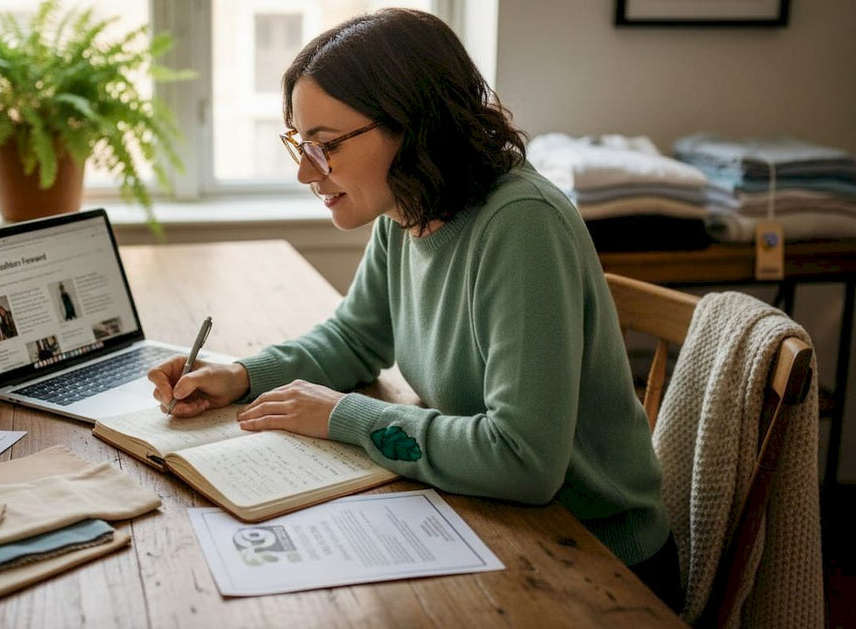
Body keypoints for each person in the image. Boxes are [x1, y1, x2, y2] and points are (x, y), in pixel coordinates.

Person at [148, 8, 681, 611]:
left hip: (597, 562)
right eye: (299, 143)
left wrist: (343, 416)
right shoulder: (408, 210)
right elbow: (354, 338)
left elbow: (524, 460)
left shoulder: (522, 226)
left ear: (411, 126)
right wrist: (242, 375)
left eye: (323, 147)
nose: (304, 172)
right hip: (493, 518)